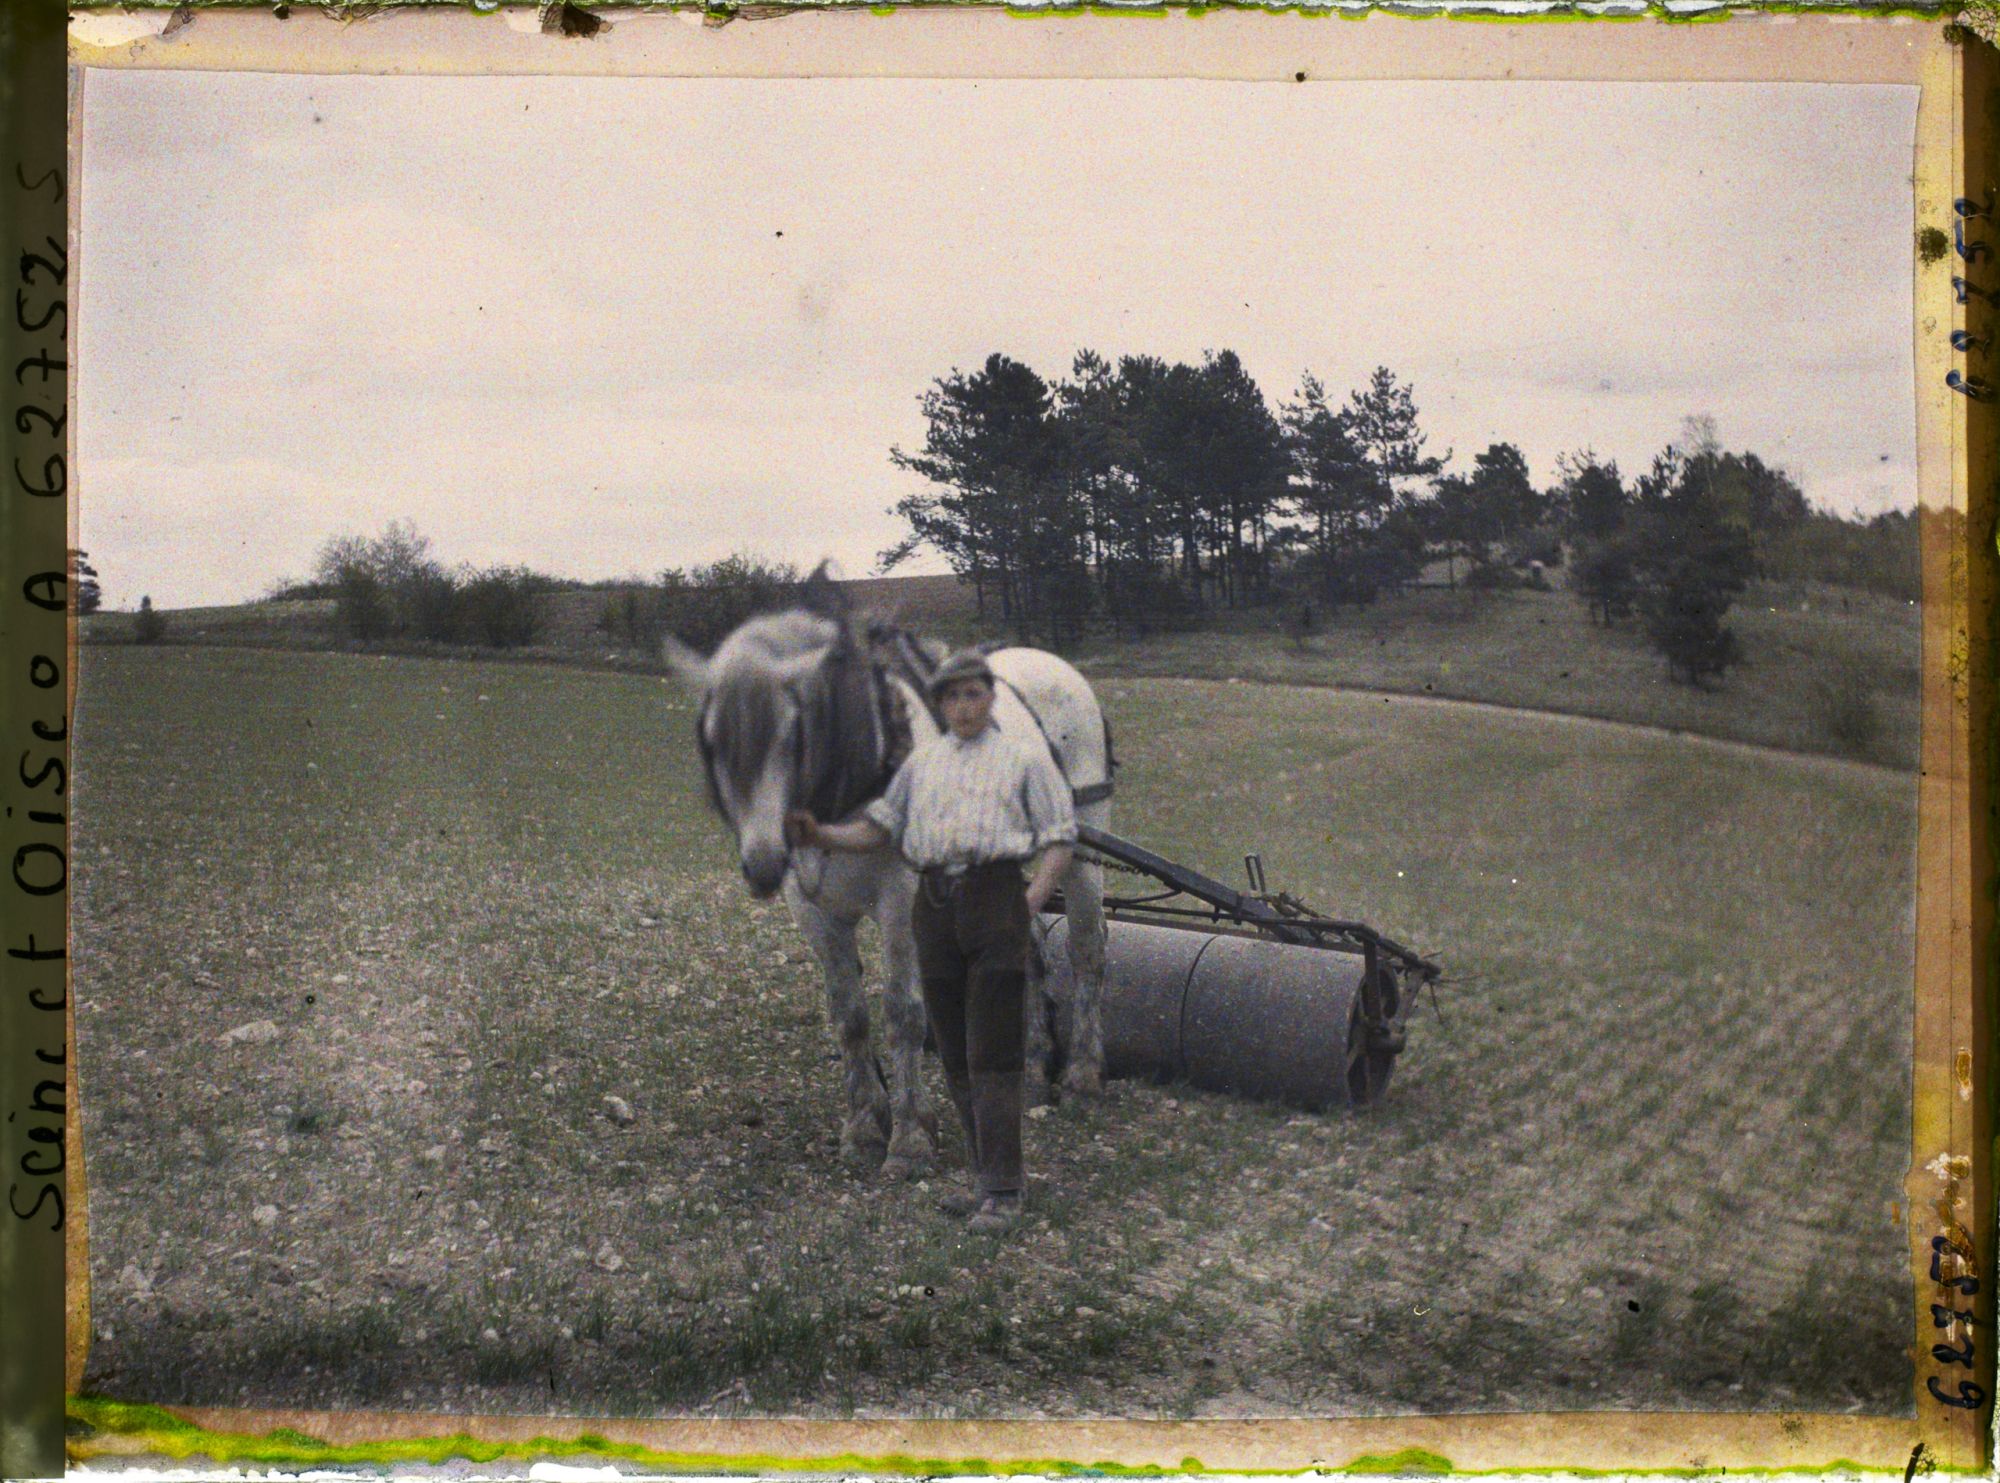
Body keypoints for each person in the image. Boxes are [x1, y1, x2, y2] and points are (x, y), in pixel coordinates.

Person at [785, 649, 1075, 1233]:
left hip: (993, 896)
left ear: (991, 698)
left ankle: (1005, 1190)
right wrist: (821, 834)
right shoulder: (921, 765)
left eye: (973, 695)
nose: (963, 708)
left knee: (993, 1050)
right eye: (952, 698)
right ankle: (981, 1179)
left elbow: (1060, 836)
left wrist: (1030, 900)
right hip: (934, 906)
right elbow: (877, 830)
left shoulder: (1024, 759)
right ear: (939, 705)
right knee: (954, 1050)